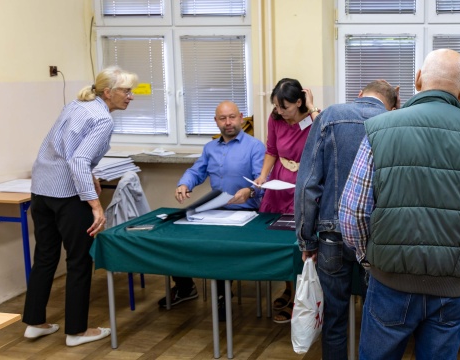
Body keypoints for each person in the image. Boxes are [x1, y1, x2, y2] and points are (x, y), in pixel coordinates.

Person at [339, 49, 460, 360]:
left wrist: (371, 261)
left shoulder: (380, 130)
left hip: (389, 282)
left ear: (417, 79)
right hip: (453, 287)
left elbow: (352, 213)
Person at [23, 66, 137, 347]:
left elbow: (64, 150)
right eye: (126, 91)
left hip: (42, 191)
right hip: (67, 197)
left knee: (46, 257)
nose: (131, 96)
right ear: (108, 93)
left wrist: (92, 176)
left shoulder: (77, 105)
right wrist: (96, 206)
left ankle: (35, 323)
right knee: (80, 260)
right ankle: (77, 331)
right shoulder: (102, 119)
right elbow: (77, 161)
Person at [295, 80, 399, 359]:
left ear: (359, 95)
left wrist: (306, 239)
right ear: (394, 101)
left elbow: (307, 184)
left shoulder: (330, 116)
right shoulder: (395, 122)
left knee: (334, 319)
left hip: (332, 235)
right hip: (378, 239)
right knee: (377, 319)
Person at [158, 101, 265, 319]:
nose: (228, 123)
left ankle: (222, 295)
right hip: (215, 210)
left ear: (242, 117)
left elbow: (263, 181)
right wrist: (184, 184)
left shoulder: (255, 147)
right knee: (174, 238)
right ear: (216, 121)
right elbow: (196, 171)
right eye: (223, 118)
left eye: (232, 117)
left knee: (218, 246)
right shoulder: (210, 148)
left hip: (247, 213)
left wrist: (250, 191)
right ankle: (185, 286)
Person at [254, 78, 317, 323]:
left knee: (302, 241)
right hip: (279, 182)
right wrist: (262, 176)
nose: (280, 112)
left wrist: (312, 109)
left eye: (285, 107)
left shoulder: (314, 118)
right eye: (277, 107)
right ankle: (289, 290)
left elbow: (328, 138)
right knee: (281, 239)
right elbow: (271, 150)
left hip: (305, 184)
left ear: (300, 101)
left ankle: (302, 298)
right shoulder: (276, 118)